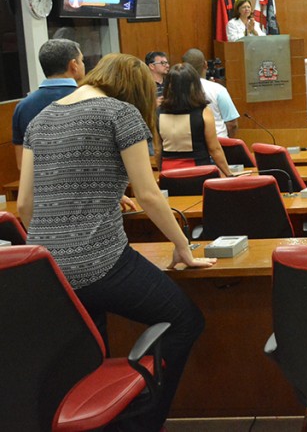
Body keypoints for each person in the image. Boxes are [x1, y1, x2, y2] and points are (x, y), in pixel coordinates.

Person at [17, 53, 215, 431]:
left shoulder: (39, 120)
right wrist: (183, 248)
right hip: (101, 263)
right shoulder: (120, 114)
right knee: (184, 320)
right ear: (136, 88)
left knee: (91, 352)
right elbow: (149, 193)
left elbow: (26, 203)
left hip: (47, 272)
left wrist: (66, 235)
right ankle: (138, 422)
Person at [12, 38, 85, 170]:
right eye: (82, 60)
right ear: (74, 65)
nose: (83, 65)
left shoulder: (22, 107)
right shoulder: (90, 99)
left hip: (41, 187)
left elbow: (22, 164)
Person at [157, 63, 232, 176]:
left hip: (169, 171)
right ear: (194, 85)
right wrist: (229, 174)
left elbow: (158, 149)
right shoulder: (203, 112)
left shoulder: (158, 112)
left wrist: (161, 172)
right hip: (198, 170)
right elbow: (214, 149)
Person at [182, 48, 240, 138]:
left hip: (188, 143)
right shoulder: (218, 90)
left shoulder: (175, 89)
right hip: (219, 141)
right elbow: (232, 124)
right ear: (205, 64)